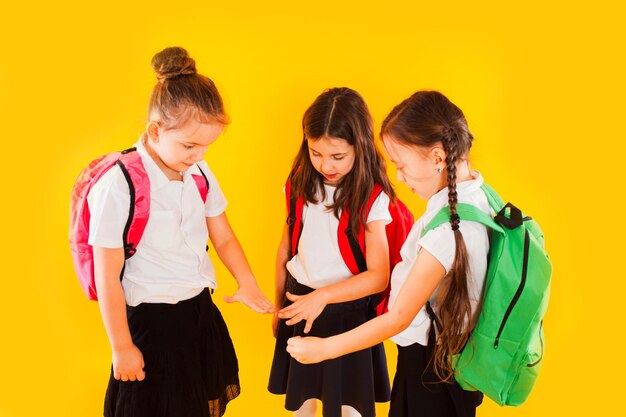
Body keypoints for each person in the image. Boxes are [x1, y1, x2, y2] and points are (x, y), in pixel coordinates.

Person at [88, 46, 274, 417]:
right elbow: (106, 275)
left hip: (197, 314)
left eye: (207, 146)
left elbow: (223, 235)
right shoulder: (120, 183)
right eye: (190, 145)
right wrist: (121, 346)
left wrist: (246, 280)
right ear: (155, 131)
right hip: (150, 324)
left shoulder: (199, 174)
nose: (199, 155)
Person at [286, 90, 488, 417]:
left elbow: (399, 317)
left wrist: (325, 348)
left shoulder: (447, 234)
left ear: (438, 158)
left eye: (402, 165)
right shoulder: (477, 197)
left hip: (433, 367)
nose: (399, 177)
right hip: (448, 362)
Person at [268, 87, 394, 417]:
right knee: (303, 406)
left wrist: (323, 297)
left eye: (338, 156)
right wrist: (278, 305)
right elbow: (286, 247)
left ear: (360, 147)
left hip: (348, 313)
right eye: (316, 153)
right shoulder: (297, 183)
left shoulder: (372, 197)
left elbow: (378, 277)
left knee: (351, 409)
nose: (326, 165)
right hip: (298, 303)